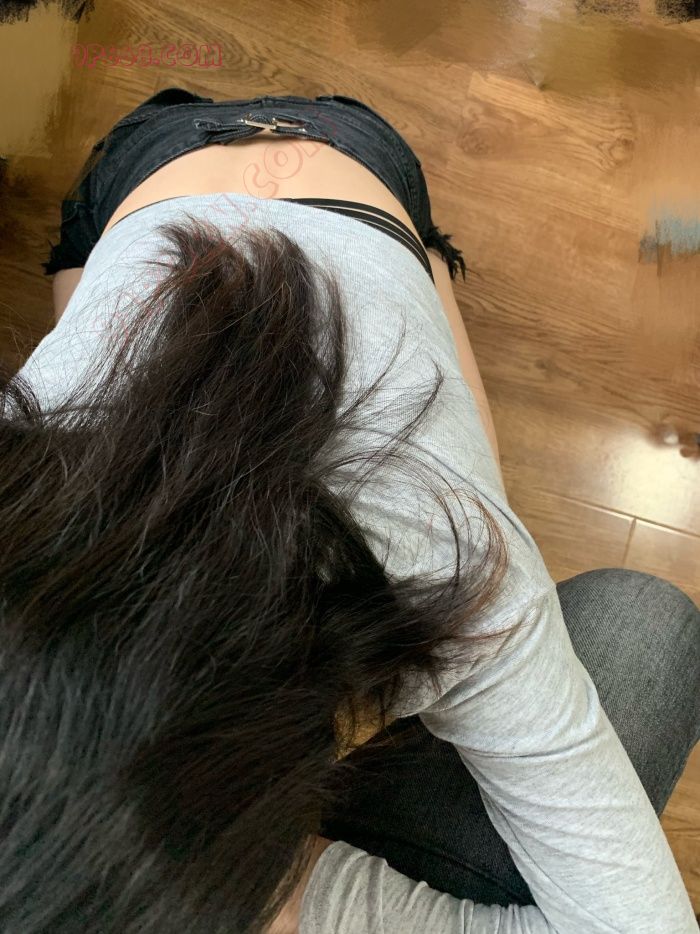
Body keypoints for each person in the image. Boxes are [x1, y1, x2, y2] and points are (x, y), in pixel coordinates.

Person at [3, 87, 698, 933]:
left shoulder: (449, 570)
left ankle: (416, 254)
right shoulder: (449, 559)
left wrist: (287, 901)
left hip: (306, 159)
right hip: (202, 173)